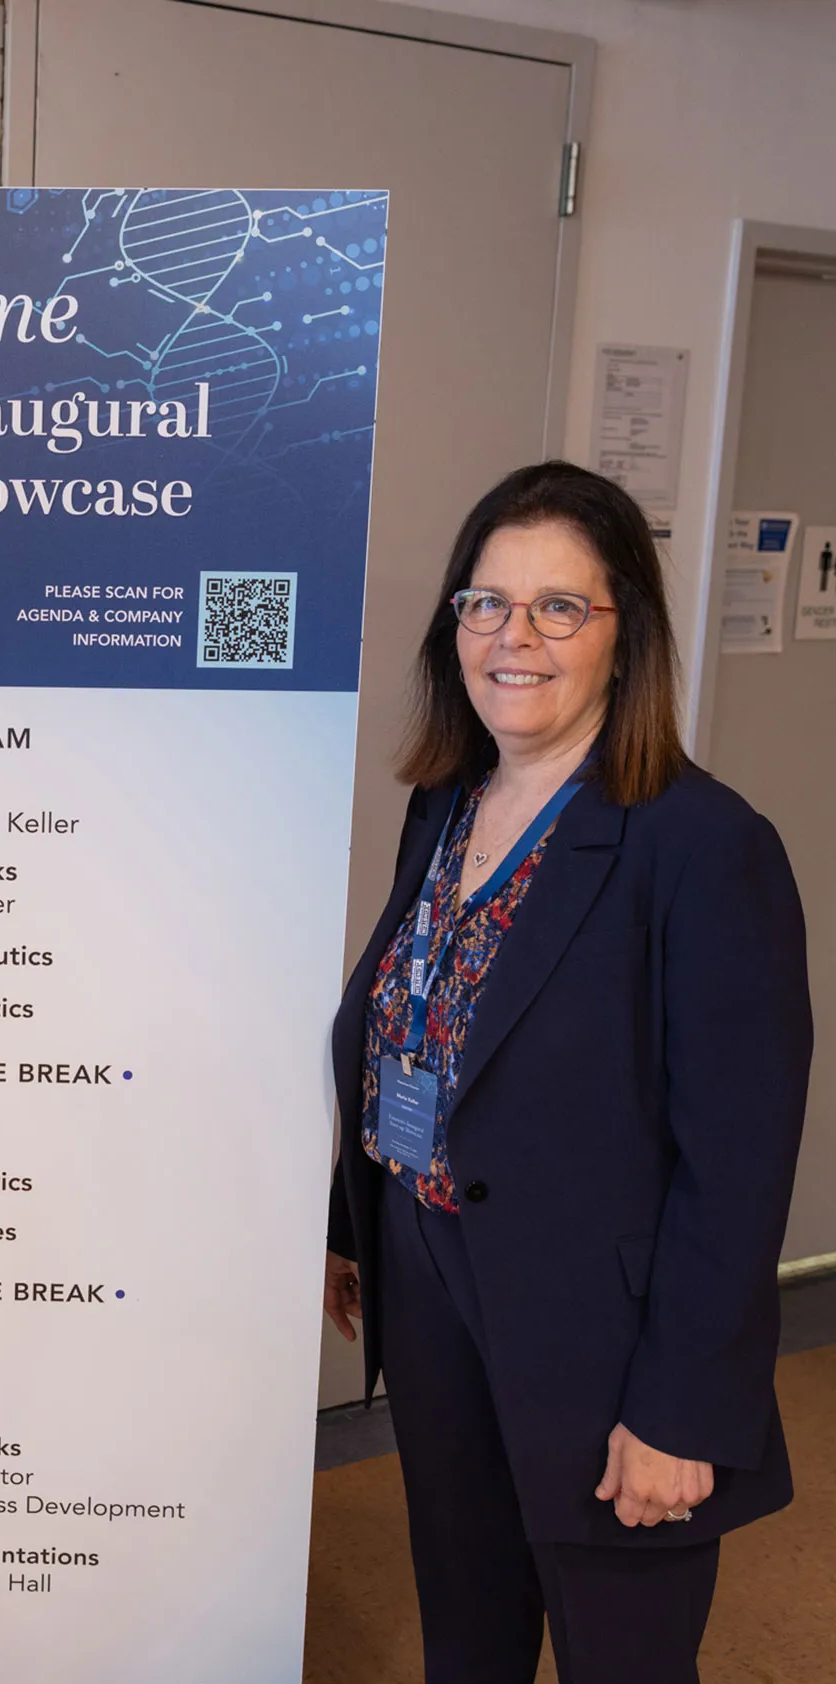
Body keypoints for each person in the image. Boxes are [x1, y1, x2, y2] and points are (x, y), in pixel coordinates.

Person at [322, 461, 812, 1683]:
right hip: (434, 1281)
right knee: (468, 1640)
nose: (512, 638)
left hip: (607, 1339)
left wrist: (681, 1409)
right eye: (484, 604)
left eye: (557, 608)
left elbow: (736, 1166)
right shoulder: (446, 798)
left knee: (620, 1659)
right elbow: (410, 1030)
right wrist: (355, 1227)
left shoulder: (701, 846)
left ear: (622, 634)